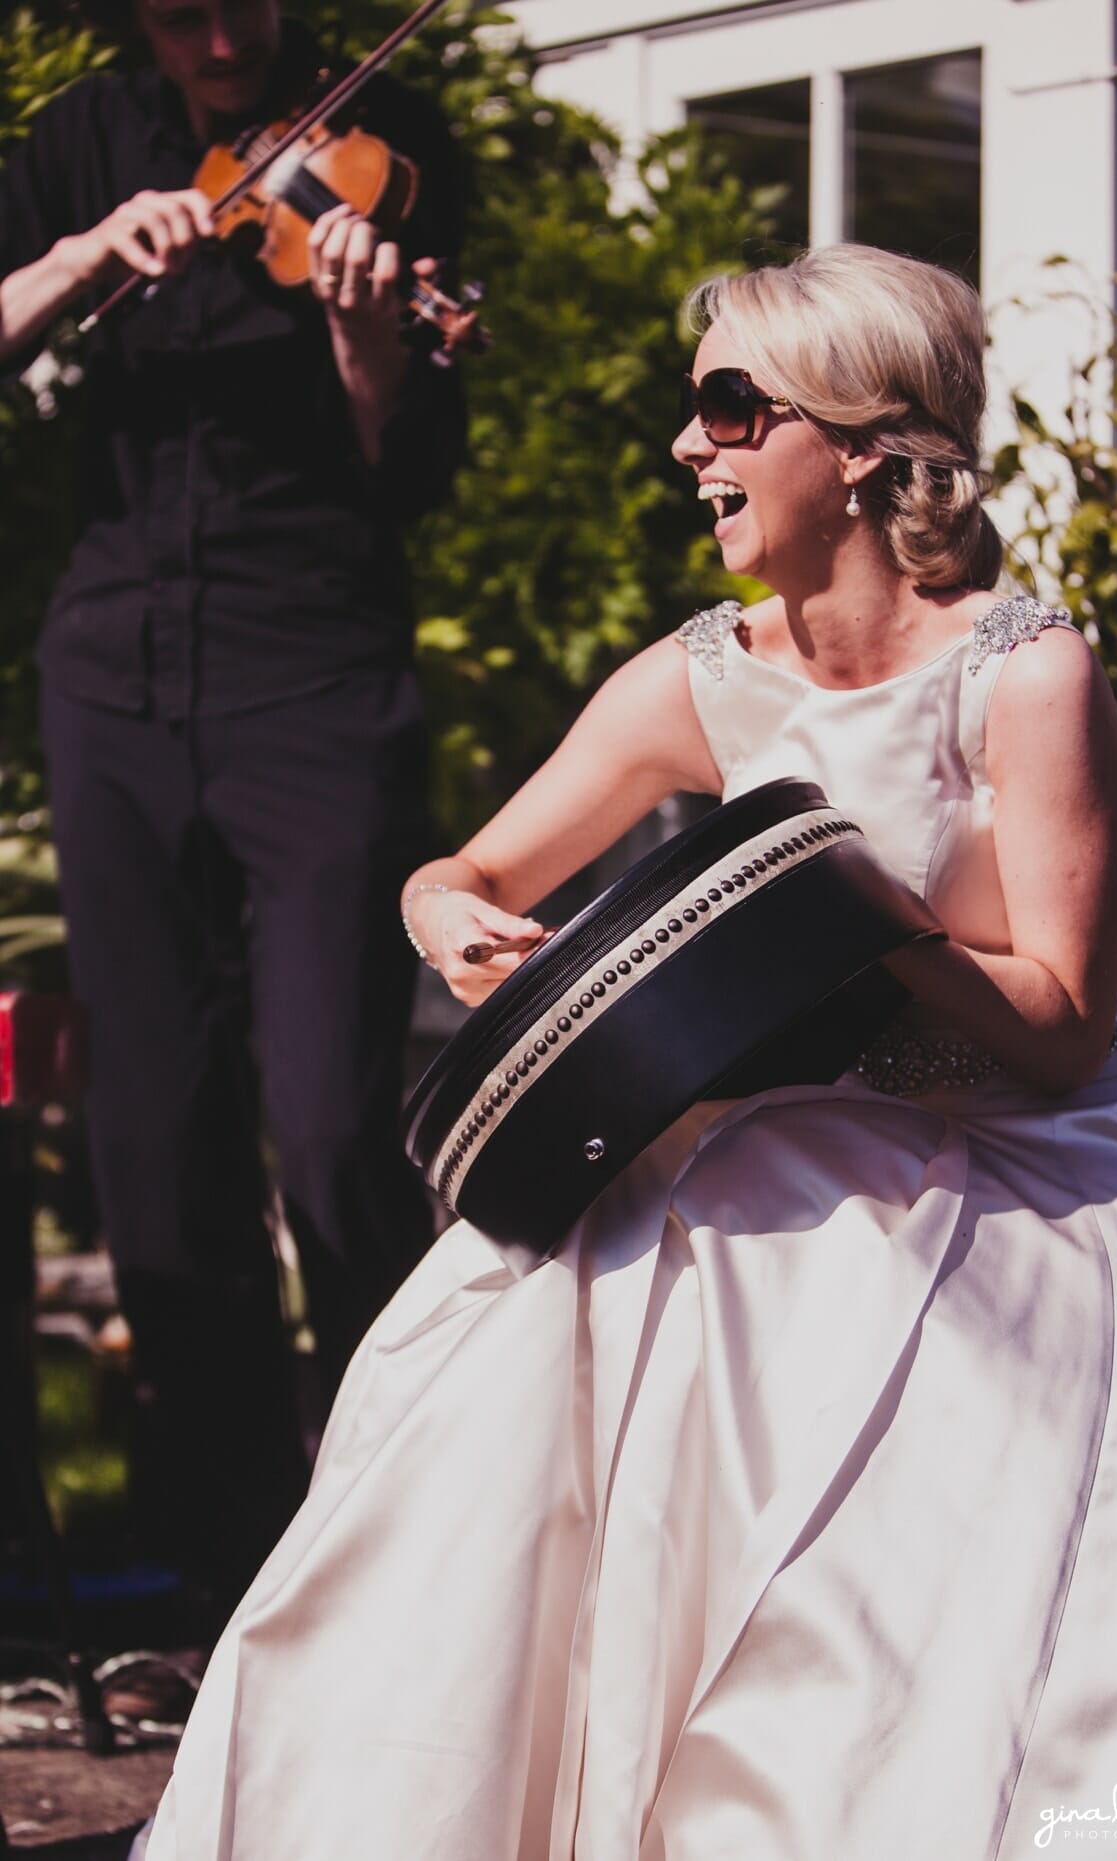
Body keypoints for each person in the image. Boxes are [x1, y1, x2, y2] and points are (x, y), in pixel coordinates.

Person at [145, 244, 1117, 1859]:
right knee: (516, 1318)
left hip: (1026, 1152)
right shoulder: (702, 675)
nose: (690, 446)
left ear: (865, 443)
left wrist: (864, 912)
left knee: (756, 1273)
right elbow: (458, 871)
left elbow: (1069, 1036)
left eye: (733, 406)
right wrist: (448, 919)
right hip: (768, 1112)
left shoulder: (1029, 672)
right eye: (697, 408)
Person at [0, 0, 465, 1609]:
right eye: (185, 11)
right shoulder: (78, 141)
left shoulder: (391, 145)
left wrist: (365, 334)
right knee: (151, 1136)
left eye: (247, 6)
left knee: (336, 1128)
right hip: (114, 670)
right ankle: (222, 1559)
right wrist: (78, 256)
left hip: (314, 672)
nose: (220, 36)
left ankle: (403, 1534)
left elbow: (407, 464)